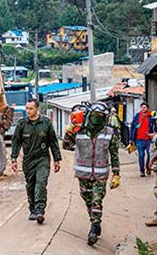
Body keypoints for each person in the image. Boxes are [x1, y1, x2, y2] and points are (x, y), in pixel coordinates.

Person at [62, 102, 121, 246]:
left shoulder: (109, 133)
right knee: (87, 199)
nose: (97, 118)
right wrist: (68, 134)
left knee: (96, 200)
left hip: (101, 174)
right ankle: (95, 222)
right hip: (83, 173)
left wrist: (116, 173)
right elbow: (67, 146)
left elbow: (114, 154)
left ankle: (94, 228)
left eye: (100, 115)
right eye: (95, 115)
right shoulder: (80, 131)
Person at [10, 99, 62, 224]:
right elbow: (16, 142)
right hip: (28, 160)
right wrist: (14, 159)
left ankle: (40, 210)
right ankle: (32, 208)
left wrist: (57, 159)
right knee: (30, 185)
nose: (28, 111)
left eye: (31, 108)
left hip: (42, 158)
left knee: (41, 183)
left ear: (37, 109)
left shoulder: (46, 123)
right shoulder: (22, 124)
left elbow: (53, 142)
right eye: (27, 108)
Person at [131, 103, 155, 176]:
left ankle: (148, 167)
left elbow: (154, 127)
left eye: (145, 107)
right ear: (140, 108)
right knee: (141, 155)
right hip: (139, 139)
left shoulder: (151, 117)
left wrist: (153, 134)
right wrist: (131, 138)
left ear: (147, 108)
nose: (143, 108)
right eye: (142, 107)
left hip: (149, 140)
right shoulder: (137, 116)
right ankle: (142, 171)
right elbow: (132, 127)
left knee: (149, 155)